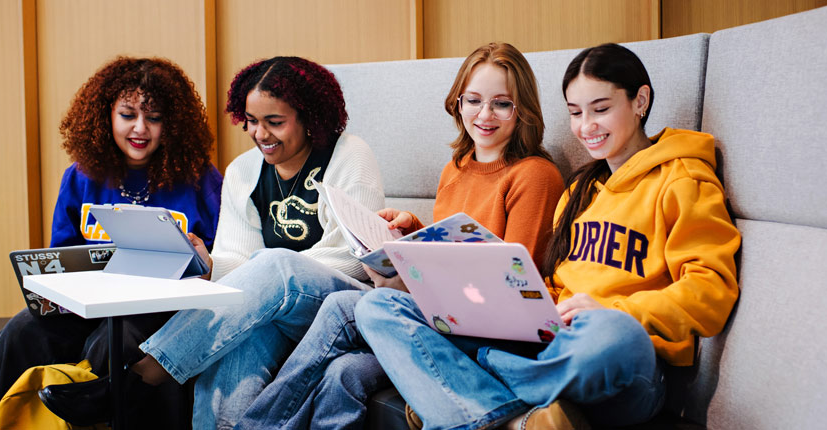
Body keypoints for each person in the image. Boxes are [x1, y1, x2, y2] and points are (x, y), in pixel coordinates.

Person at [356, 42, 742, 430]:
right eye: (576, 113)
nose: (585, 126)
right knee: (378, 307)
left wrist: (615, 311)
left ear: (640, 100)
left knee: (613, 335)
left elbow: (712, 291)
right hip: (546, 344)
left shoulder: (683, 180)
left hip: (618, 360)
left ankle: (456, 393)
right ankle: (506, 415)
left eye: (601, 109)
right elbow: (553, 282)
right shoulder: (579, 191)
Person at [37, 56, 386, 429]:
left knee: (276, 265)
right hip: (270, 309)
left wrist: (269, 274)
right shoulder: (243, 171)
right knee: (228, 397)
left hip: (336, 302)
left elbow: (354, 258)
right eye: (251, 122)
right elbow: (237, 262)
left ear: (310, 118)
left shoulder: (349, 155)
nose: (260, 135)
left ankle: (143, 376)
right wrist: (211, 264)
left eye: (275, 123)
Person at [235, 42, 565, 430]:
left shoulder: (535, 175)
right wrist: (411, 237)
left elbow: (512, 289)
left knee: (343, 307)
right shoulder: (455, 169)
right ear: (457, 103)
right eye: (473, 100)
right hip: (439, 315)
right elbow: (453, 250)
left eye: (502, 104)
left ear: (522, 109)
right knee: (343, 374)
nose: (484, 115)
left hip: (478, 328)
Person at [0, 56, 223, 429]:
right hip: (87, 307)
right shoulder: (79, 177)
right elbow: (61, 258)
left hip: (160, 314)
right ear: (105, 116)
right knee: (17, 335)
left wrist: (205, 259)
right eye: (127, 115)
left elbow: (223, 259)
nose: (140, 128)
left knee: (116, 343)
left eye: (154, 118)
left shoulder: (200, 179)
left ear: (171, 124)